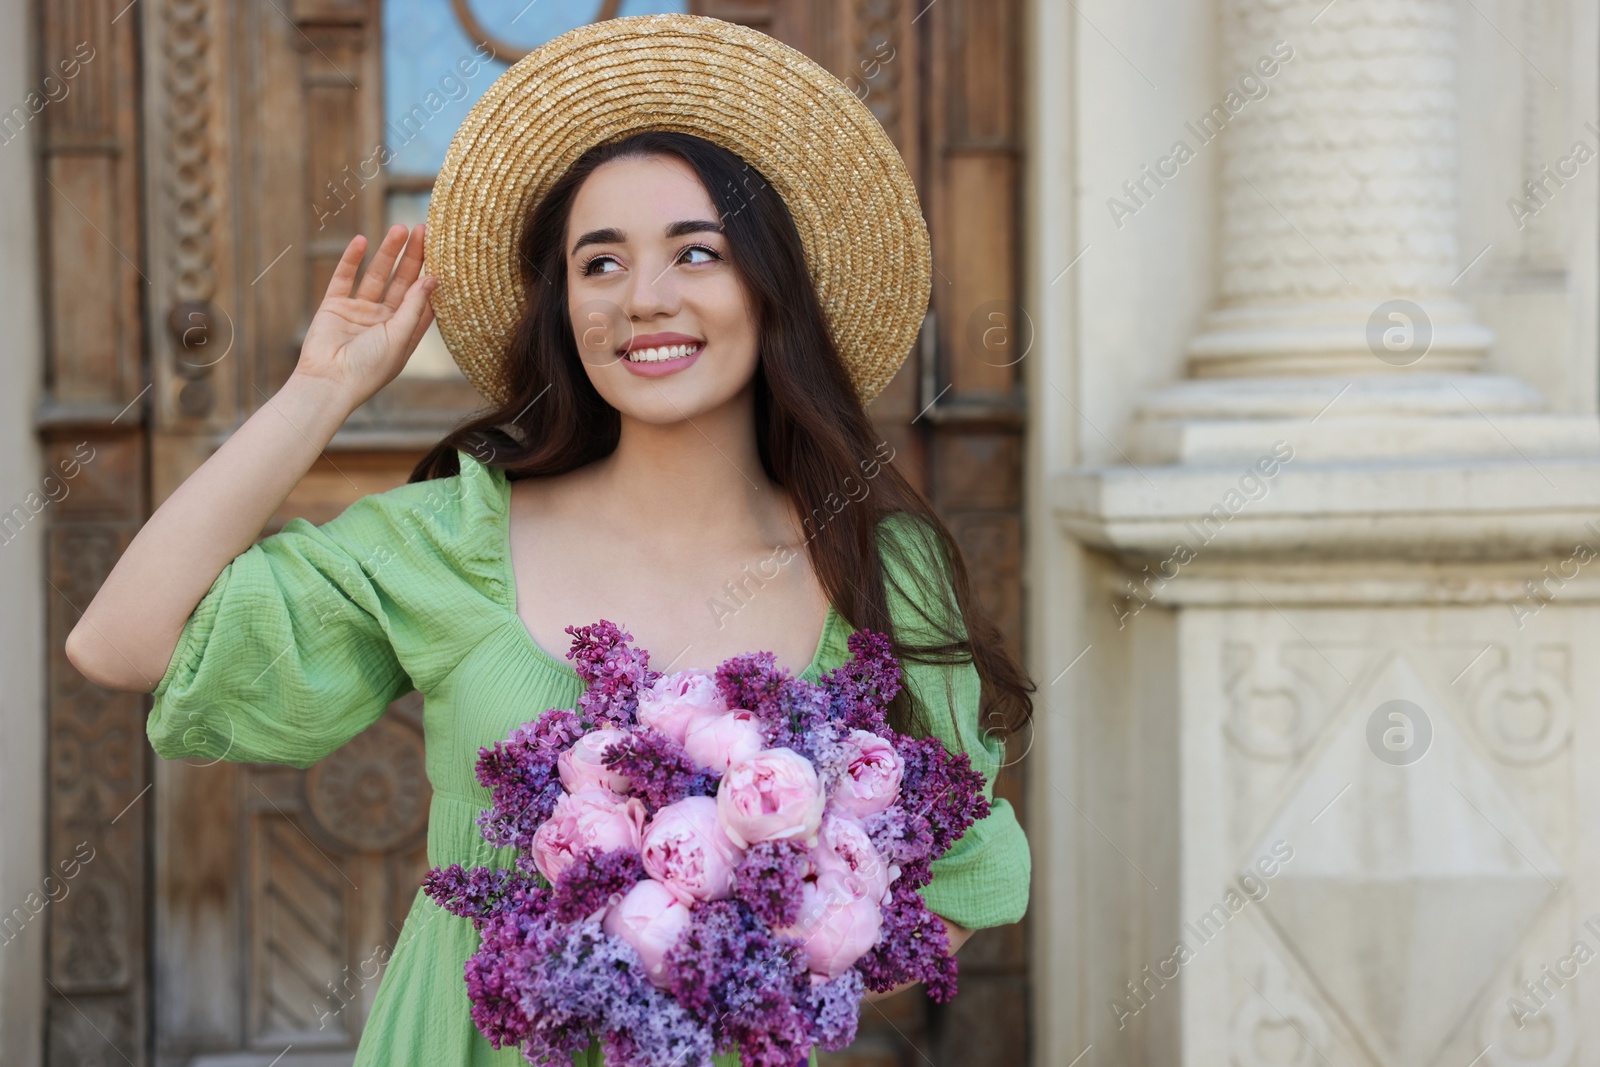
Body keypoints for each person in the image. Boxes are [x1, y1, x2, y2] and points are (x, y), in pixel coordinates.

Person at [66, 15, 1033, 1067]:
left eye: (696, 251)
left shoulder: (882, 571)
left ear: (770, 286)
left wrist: (723, 964)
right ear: (564, 304)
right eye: (599, 262)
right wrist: (319, 392)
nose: (643, 298)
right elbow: (118, 640)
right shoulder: (453, 540)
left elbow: (952, 878)